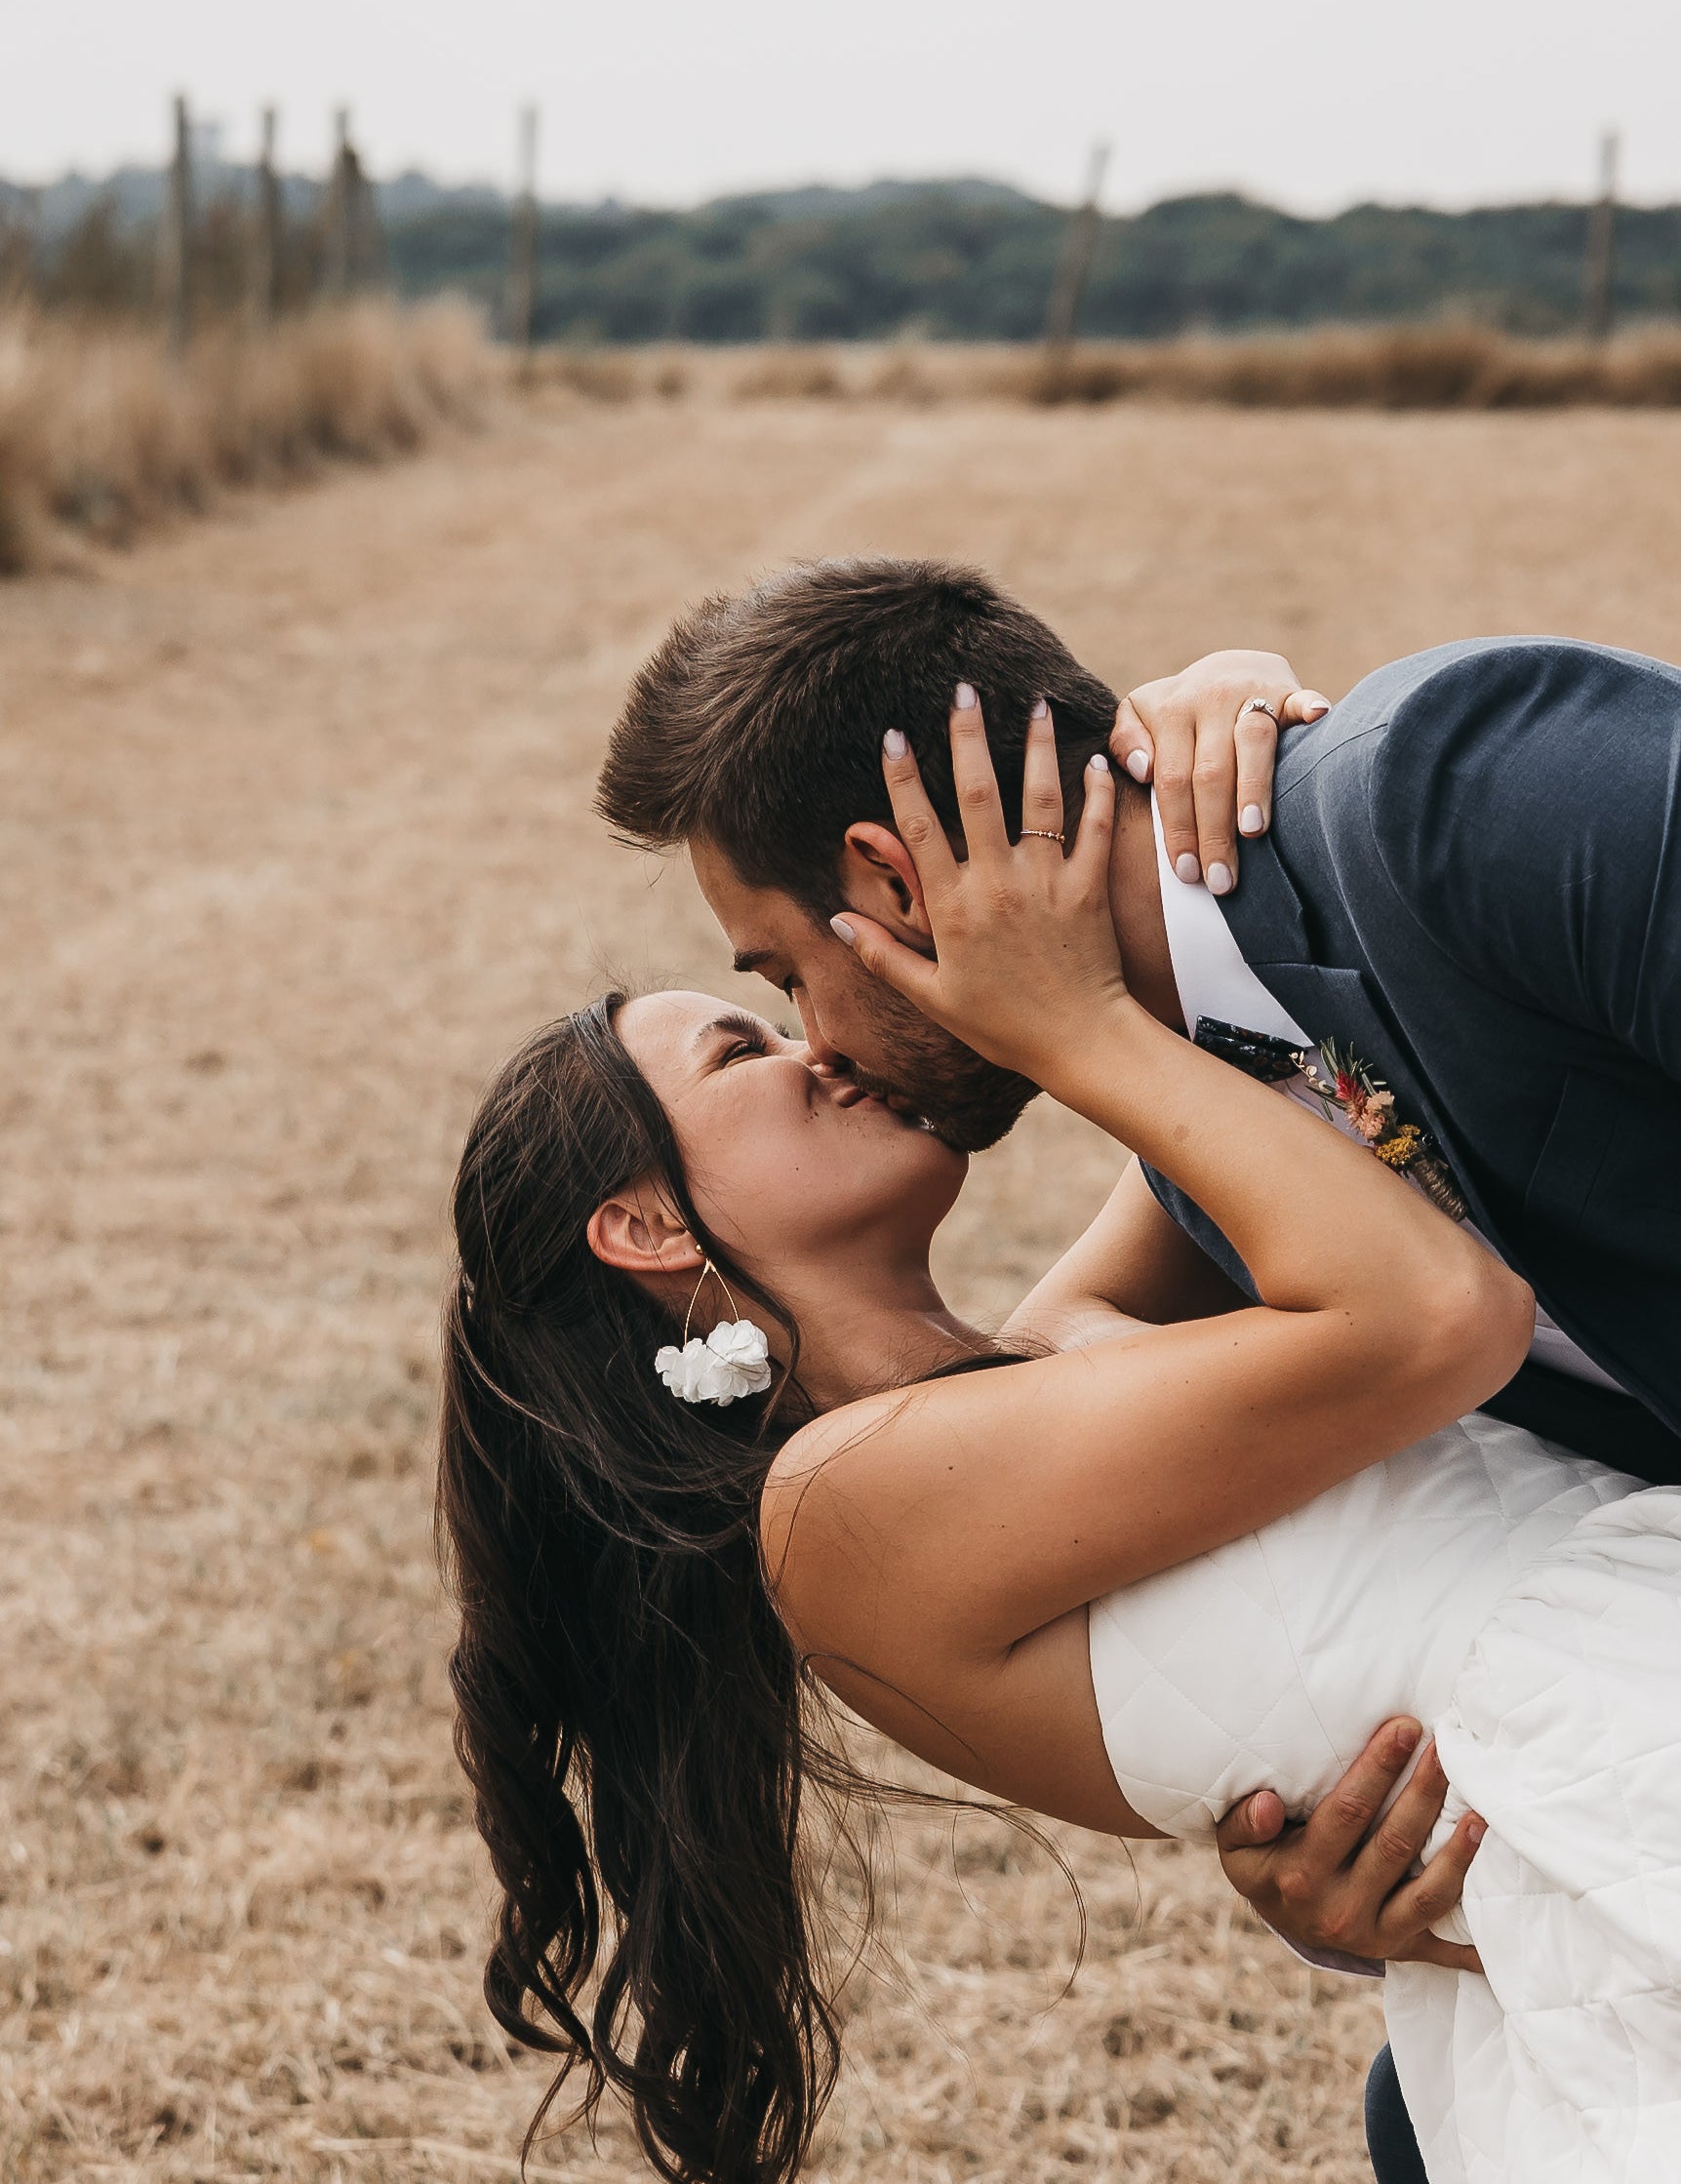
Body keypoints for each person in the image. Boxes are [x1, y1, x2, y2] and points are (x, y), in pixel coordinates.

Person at [439, 705, 1681, 2184]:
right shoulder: (840, 1514)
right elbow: (1434, 1314)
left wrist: (1202, 726)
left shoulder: (1045, 1352)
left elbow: (1242, 1046)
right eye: (745, 1041)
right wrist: (1068, 1026)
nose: (818, 1042)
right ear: (643, 1228)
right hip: (1627, 1783)